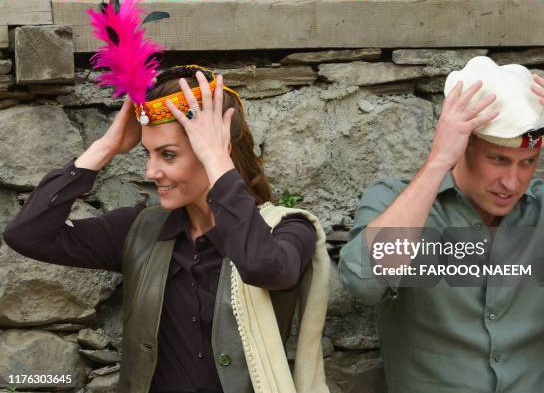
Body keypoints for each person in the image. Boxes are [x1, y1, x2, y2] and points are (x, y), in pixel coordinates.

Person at [3, 65, 330, 393]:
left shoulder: (288, 230)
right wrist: (107, 145)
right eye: (148, 153)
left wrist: (219, 163)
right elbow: (27, 234)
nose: (150, 171)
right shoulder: (139, 231)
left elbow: (263, 267)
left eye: (168, 155)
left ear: (217, 152)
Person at [338, 56, 544, 392]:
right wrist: (439, 161)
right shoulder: (393, 200)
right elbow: (363, 283)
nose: (512, 182)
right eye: (498, 159)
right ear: (463, 145)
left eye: (528, 162)